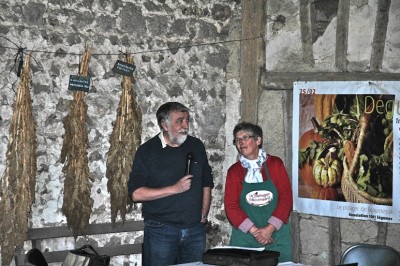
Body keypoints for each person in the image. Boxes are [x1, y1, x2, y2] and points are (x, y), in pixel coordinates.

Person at [128, 102, 214, 266]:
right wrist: (174, 189)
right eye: (179, 121)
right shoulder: (148, 151)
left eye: (187, 120)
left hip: (195, 229)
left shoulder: (196, 145)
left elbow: (206, 182)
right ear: (164, 124)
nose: (185, 126)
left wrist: (203, 214)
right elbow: (136, 194)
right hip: (161, 229)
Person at [224, 122, 293, 262]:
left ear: (258, 140)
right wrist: (256, 232)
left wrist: (269, 229)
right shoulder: (234, 171)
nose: (241, 142)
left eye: (245, 137)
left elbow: (286, 198)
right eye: (237, 140)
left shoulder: (275, 164)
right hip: (245, 238)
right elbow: (231, 206)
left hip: (276, 236)